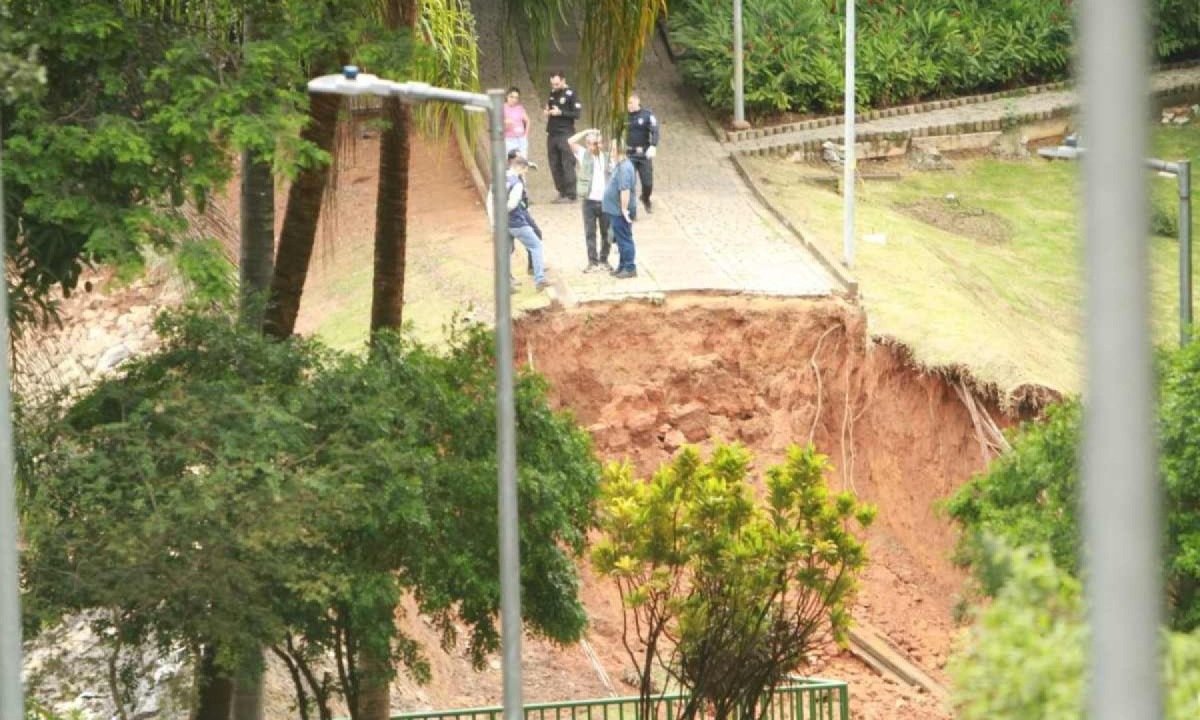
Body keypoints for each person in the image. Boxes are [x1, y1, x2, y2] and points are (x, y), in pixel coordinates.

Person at [488, 154, 548, 291]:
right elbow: (513, 203)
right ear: (520, 168)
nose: (525, 173)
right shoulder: (517, 183)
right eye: (525, 170)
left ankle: (506, 283)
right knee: (536, 245)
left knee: (506, 252)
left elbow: (490, 200)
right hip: (516, 222)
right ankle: (539, 279)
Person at [568, 128, 612, 272]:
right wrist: (587, 130)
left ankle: (604, 259)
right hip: (589, 201)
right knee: (590, 232)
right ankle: (592, 262)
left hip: (605, 201)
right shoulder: (584, 155)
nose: (596, 146)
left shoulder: (607, 157)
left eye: (599, 143)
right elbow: (570, 141)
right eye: (593, 143)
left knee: (607, 233)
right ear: (587, 144)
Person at [544, 72, 581, 203]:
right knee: (554, 163)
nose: (554, 86)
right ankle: (561, 191)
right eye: (552, 84)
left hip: (566, 132)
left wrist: (561, 112)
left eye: (557, 83)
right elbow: (550, 106)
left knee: (567, 163)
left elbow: (576, 114)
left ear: (563, 80)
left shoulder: (571, 94)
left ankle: (571, 194)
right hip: (552, 133)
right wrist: (548, 111)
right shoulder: (553, 93)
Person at [602, 143, 638, 279]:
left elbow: (625, 190)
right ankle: (622, 266)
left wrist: (624, 209)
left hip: (620, 211)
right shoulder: (620, 165)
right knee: (620, 239)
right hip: (615, 209)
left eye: (612, 149)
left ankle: (629, 267)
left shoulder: (624, 168)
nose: (610, 151)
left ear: (618, 151)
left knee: (624, 239)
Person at [625, 93, 660, 213]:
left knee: (647, 182)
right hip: (629, 153)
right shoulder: (624, 117)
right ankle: (630, 208)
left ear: (637, 102)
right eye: (627, 103)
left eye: (631, 103)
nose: (629, 105)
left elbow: (655, 130)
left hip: (644, 154)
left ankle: (645, 198)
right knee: (629, 182)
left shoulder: (647, 115)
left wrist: (653, 145)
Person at [503, 87, 530, 159]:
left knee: (523, 162)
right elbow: (498, 124)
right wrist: (506, 123)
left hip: (521, 139)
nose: (514, 100)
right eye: (511, 97)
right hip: (509, 139)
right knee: (510, 162)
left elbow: (527, 121)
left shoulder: (520, 108)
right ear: (507, 96)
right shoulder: (502, 107)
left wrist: (525, 135)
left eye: (516, 98)